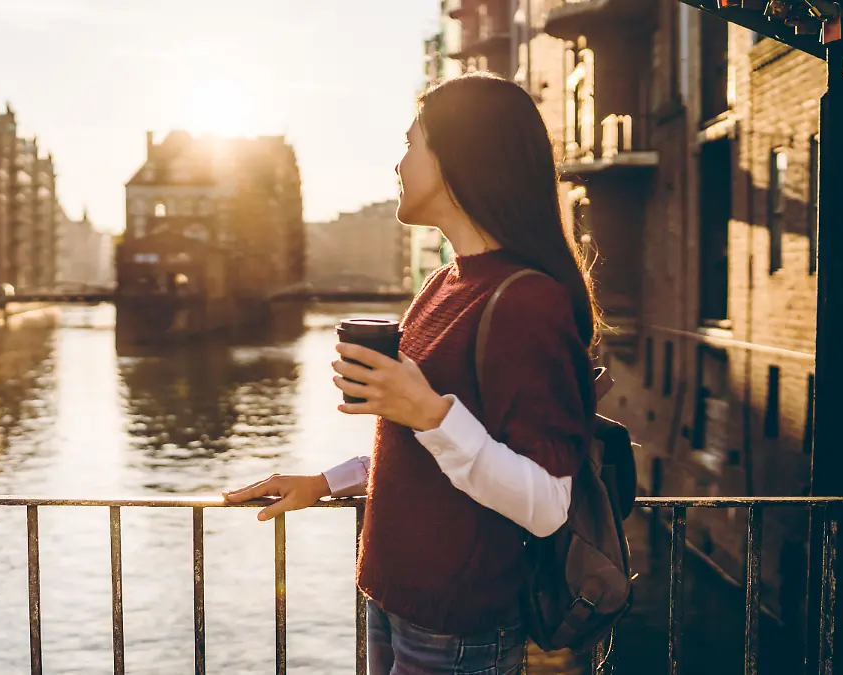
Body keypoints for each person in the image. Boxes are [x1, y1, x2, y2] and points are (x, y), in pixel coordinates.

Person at [223, 72, 600, 674]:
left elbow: (549, 503)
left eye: (410, 144)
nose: (397, 165)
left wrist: (428, 411)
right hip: (394, 596)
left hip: (456, 622)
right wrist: (327, 482)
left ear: (457, 158)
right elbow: (431, 450)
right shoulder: (444, 283)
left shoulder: (527, 301)